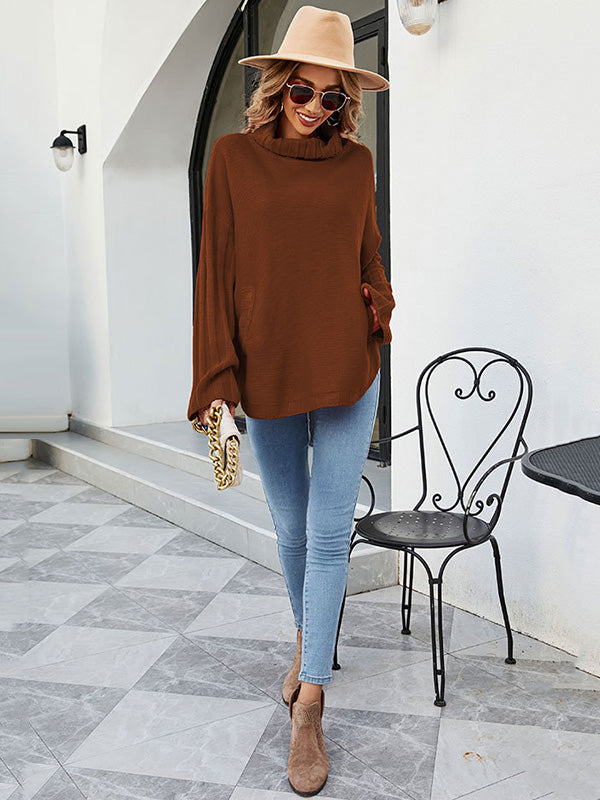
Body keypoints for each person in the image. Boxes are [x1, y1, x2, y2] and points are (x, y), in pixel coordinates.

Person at [187, 6, 394, 796]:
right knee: (290, 527)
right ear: (277, 87)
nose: (315, 107)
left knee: (329, 534)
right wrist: (215, 379)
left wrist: (379, 305)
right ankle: (312, 641)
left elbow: (367, 253)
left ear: (347, 102)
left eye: (332, 96)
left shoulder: (355, 164)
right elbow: (214, 274)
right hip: (265, 368)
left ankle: (311, 703)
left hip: (348, 365)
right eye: (302, 91)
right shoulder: (232, 159)